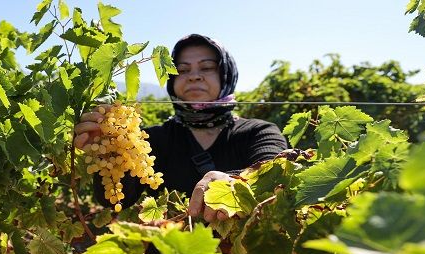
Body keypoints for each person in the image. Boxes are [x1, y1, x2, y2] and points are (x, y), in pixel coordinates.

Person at [74, 34, 288, 222]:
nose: (194, 76)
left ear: (226, 75)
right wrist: (110, 151)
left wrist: (233, 180)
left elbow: (275, 179)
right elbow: (115, 200)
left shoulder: (259, 133)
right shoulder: (149, 139)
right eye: (182, 70)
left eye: (206, 67)